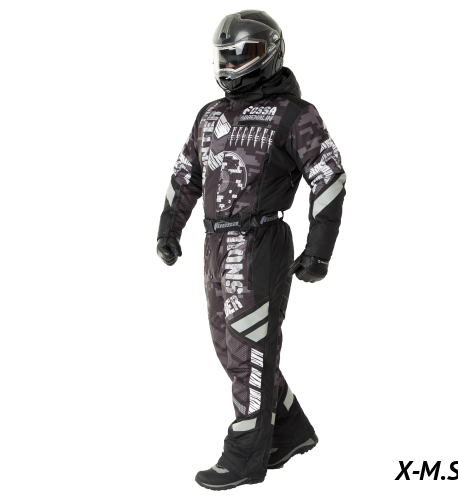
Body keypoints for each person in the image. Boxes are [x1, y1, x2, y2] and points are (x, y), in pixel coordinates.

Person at [156, 9, 347, 491]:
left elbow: (328, 175)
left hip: (258, 241)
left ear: (270, 53)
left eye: (241, 54)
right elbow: (186, 174)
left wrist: (319, 250)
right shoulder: (209, 114)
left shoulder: (295, 114)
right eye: (224, 54)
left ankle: (244, 457)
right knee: (228, 348)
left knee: (249, 350)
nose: (230, 63)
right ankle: (291, 430)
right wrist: (168, 229)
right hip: (214, 242)